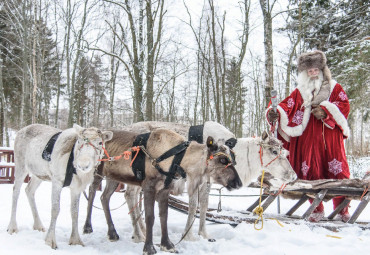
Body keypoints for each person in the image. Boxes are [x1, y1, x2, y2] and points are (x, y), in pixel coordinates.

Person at [266, 50, 351, 222]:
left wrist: (326, 111)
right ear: (305, 72)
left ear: (321, 70)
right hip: (308, 142)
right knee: (311, 172)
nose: (312, 73)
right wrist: (274, 113)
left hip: (330, 139)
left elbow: (344, 105)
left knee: (338, 172)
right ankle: (316, 209)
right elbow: (285, 106)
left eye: (315, 70)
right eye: (309, 70)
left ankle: (342, 211)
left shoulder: (334, 87)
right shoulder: (299, 92)